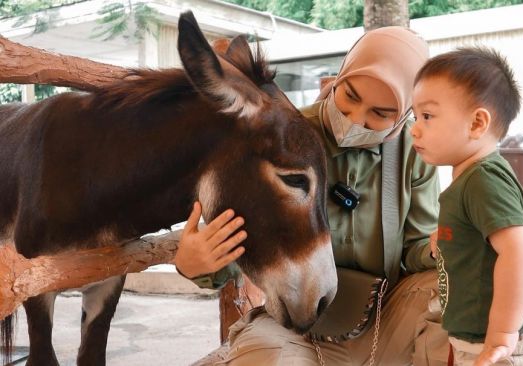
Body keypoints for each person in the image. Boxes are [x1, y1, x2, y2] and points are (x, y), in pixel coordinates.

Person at [175, 26, 450, 365]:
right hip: (295, 326)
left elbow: (415, 252)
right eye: (349, 95)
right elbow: (240, 244)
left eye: (381, 114)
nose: (355, 119)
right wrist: (196, 263)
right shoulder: (283, 135)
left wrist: (443, 246)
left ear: (407, 112)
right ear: (339, 76)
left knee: (458, 289)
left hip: (388, 316)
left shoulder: (414, 152)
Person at [410, 47, 523, 366]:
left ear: (477, 123)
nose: (414, 128)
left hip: (509, 346)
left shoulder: (483, 180)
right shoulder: (470, 177)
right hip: (482, 341)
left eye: (427, 116)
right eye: (414, 116)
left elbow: (519, 250)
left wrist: (502, 335)